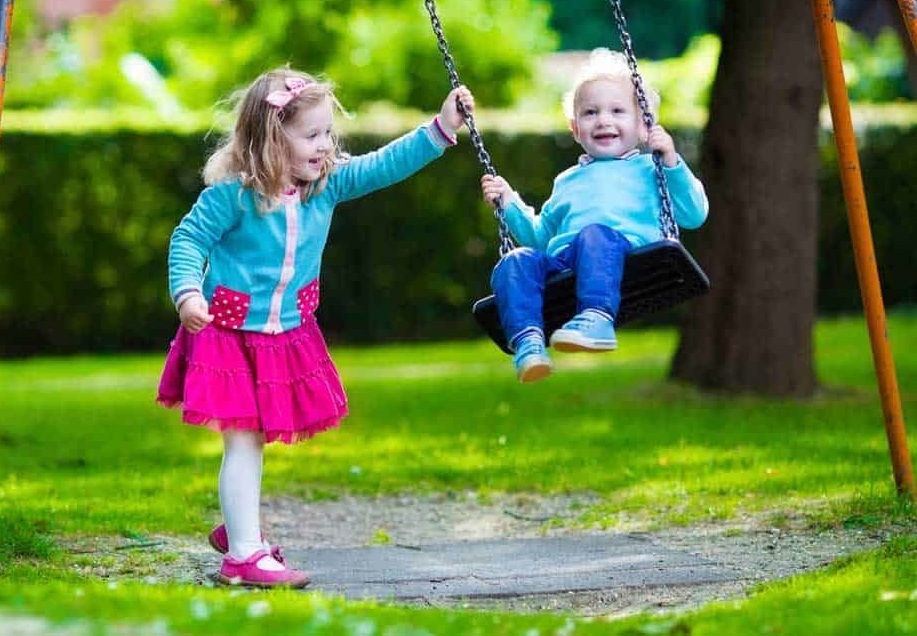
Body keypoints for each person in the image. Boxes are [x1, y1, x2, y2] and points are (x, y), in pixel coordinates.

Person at [157, 67, 473, 587]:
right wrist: (188, 292)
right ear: (269, 140)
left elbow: (383, 165)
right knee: (244, 441)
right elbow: (188, 241)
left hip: (284, 335)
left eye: (329, 133)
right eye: (312, 135)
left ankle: (241, 531)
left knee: (251, 442)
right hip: (229, 335)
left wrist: (440, 128)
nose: (325, 146)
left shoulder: (322, 188)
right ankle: (243, 554)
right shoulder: (232, 197)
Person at [481, 48, 708, 383]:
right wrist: (509, 202)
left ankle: (597, 317)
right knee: (514, 262)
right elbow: (540, 238)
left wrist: (673, 162)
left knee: (594, 234)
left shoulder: (651, 168)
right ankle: (528, 343)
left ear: (644, 125)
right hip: (567, 263)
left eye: (618, 111)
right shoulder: (567, 181)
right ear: (575, 128)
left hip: (627, 255)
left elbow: (695, 214)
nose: (603, 120)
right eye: (590, 113)